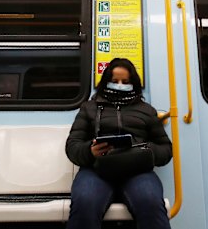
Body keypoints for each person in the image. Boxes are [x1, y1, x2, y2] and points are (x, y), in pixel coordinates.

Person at [65, 58, 172, 229]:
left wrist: (147, 151)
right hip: (96, 170)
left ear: (133, 83)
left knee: (150, 202)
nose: (120, 85)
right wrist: (90, 151)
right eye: (115, 81)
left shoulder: (146, 111)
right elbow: (73, 145)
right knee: (85, 201)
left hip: (137, 171)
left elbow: (166, 149)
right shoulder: (89, 108)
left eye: (125, 82)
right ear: (106, 81)